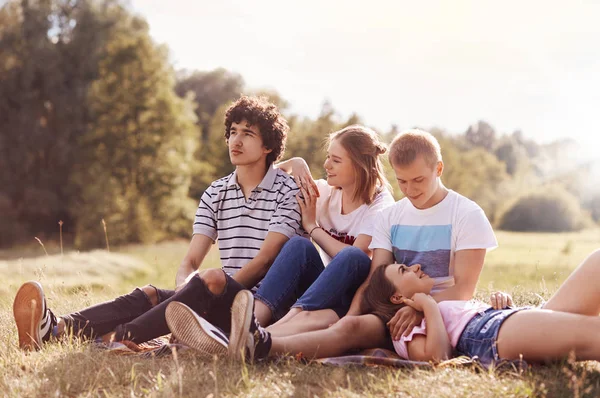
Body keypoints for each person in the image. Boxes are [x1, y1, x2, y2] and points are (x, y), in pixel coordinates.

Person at [162, 128, 499, 361]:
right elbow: (376, 276)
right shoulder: (393, 215)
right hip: (389, 308)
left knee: (350, 317)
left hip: (433, 312)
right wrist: (355, 310)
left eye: (419, 181)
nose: (410, 190)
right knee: (331, 294)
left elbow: (463, 289)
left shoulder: (465, 214)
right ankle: (251, 336)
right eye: (403, 182)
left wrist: (420, 305)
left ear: (439, 169)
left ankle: (257, 343)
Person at [13, 95, 308, 351]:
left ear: (268, 145)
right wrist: (188, 293)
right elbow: (190, 260)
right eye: (232, 132)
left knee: (214, 278)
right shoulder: (216, 192)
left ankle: (123, 337)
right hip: (214, 295)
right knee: (150, 294)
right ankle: (57, 329)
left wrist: (203, 292)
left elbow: (266, 259)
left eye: (248, 133)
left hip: (256, 306)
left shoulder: (287, 190)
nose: (236, 140)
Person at [255, 125, 395, 335]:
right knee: (298, 246)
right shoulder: (325, 192)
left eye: (336, 160)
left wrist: (312, 227)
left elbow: (355, 255)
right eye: (328, 157)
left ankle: (279, 327)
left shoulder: (381, 205)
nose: (326, 164)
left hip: (355, 297)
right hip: (321, 291)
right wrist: (296, 163)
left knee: (352, 256)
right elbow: (267, 179)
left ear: (359, 166)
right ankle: (252, 319)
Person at [356, 249, 600, 365]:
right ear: (397, 298)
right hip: (490, 335)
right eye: (404, 270)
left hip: (504, 321)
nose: (416, 267)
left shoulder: (434, 304)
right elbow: (438, 357)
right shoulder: (404, 328)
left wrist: (504, 306)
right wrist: (428, 306)